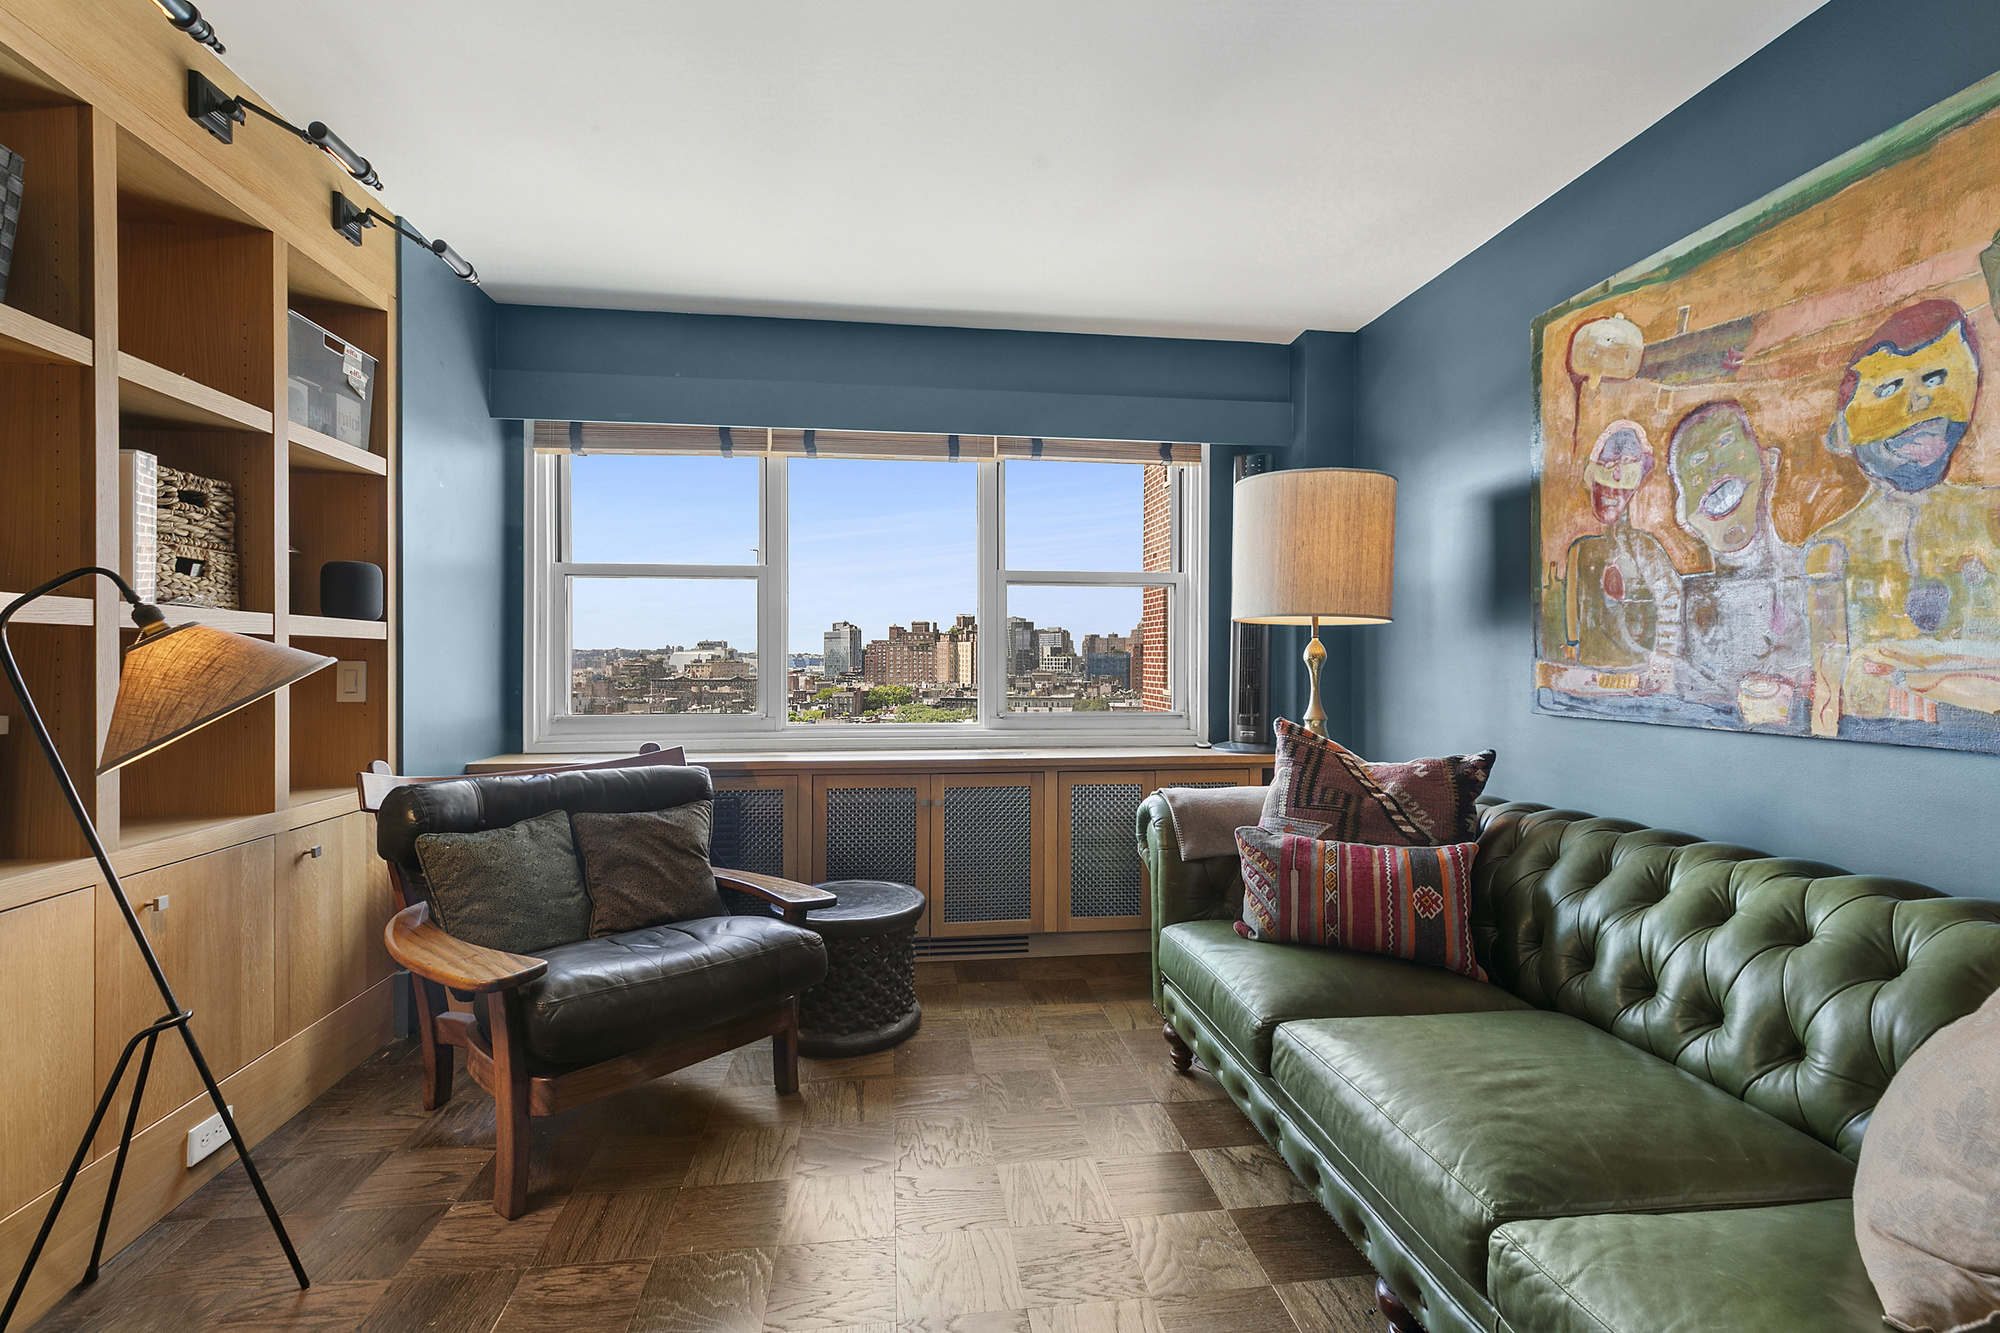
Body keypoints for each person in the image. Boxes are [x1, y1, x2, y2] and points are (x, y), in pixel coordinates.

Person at [1805, 298, 2000, 731]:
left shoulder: (1992, 517)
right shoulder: (1834, 549)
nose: (1921, 401)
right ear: (1842, 432)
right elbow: (1828, 695)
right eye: (1889, 388)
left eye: (1936, 378)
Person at [1669, 401, 1810, 726]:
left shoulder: (1815, 573)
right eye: (1697, 462)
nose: (1715, 467)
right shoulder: (1683, 603)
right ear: (1683, 514)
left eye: (1726, 444)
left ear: (1768, 463)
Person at [1561, 420, 1682, 676]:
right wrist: (1572, 656)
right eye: (1606, 466)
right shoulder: (1579, 551)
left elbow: (1672, 600)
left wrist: (1662, 661)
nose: (1614, 482)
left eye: (1626, 466)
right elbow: (1572, 629)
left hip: (1639, 673)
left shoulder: (1643, 547)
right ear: (1591, 478)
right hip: (1589, 672)